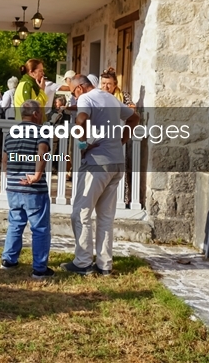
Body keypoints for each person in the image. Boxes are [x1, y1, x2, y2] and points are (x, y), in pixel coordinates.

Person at [64, 74, 139, 277]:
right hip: (116, 162)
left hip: (97, 163)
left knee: (81, 213)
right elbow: (134, 117)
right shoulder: (110, 97)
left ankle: (83, 262)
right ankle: (105, 264)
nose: (74, 96)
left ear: (79, 88)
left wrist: (82, 142)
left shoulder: (85, 99)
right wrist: (121, 141)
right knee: (105, 217)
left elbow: (82, 118)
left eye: (72, 92)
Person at [0, 100, 55, 281]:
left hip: (13, 186)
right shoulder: (40, 131)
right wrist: (37, 175)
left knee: (15, 223)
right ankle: (39, 268)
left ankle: (9, 259)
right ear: (36, 114)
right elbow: (42, 152)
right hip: (33, 187)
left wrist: (10, 177)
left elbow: (5, 160)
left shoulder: (11, 133)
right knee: (39, 228)